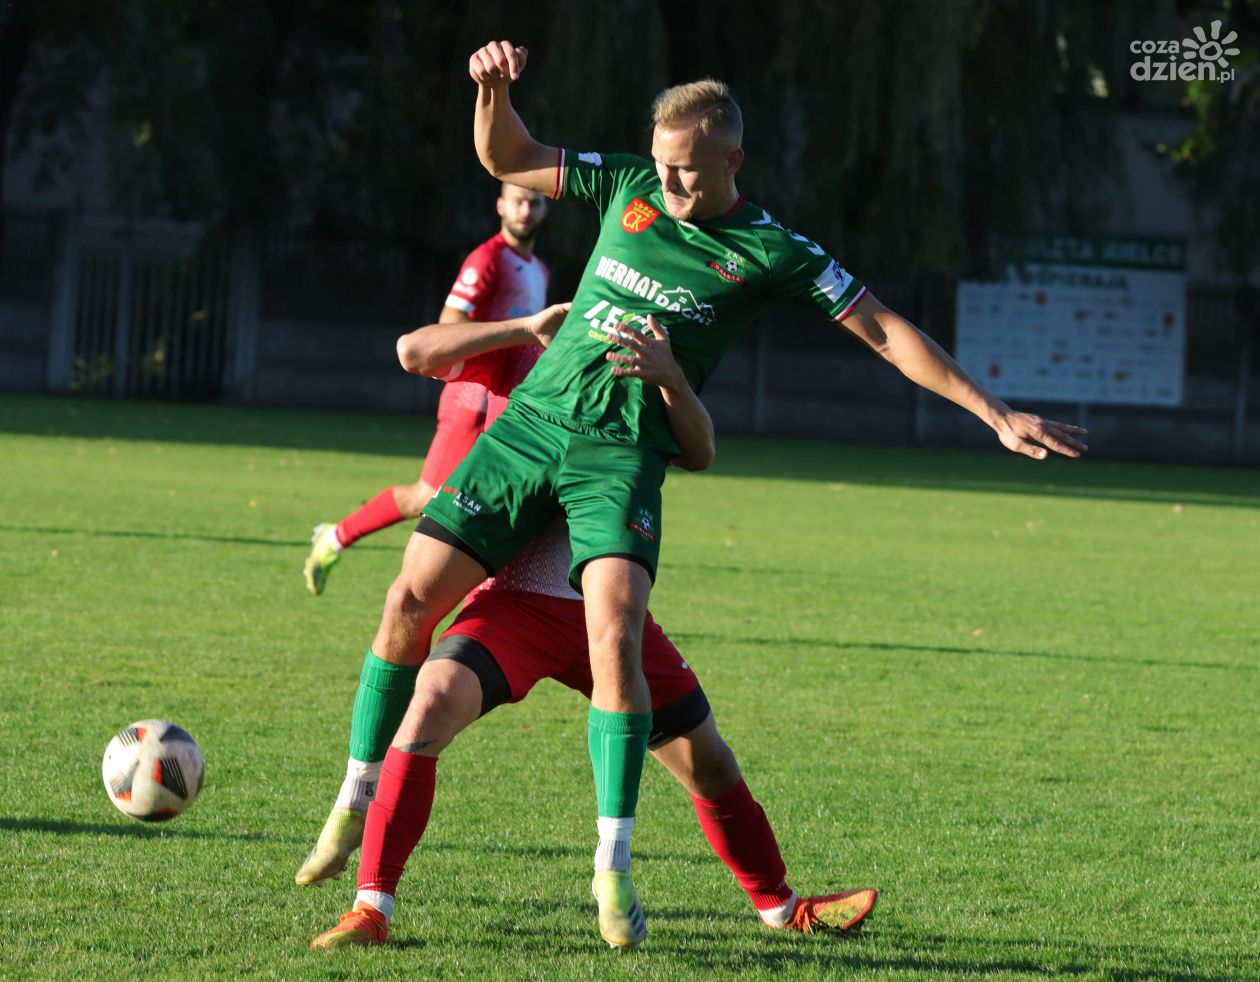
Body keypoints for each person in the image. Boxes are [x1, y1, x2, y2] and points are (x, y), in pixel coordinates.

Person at [302, 39, 1088, 950]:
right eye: (662, 165)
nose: (668, 185)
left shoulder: (770, 250)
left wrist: (991, 411)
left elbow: (880, 329)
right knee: (408, 599)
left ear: (733, 159)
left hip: (616, 463)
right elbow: (507, 156)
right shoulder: (627, 183)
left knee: (690, 739)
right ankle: (359, 820)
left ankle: (756, 901)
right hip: (533, 443)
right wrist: (493, 89)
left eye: (686, 170)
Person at [305, 317, 877, 949]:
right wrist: (525, 326)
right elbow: (414, 350)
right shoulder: (535, 352)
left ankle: (780, 906)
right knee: (429, 706)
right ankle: (371, 908)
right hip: (513, 607)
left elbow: (700, 450)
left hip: (607, 615)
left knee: (709, 763)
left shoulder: (643, 364)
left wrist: (671, 378)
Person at [302, 183, 550, 595]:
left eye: (534, 202)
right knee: (431, 495)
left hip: (508, 401)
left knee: (491, 502)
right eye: (518, 202)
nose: (526, 210)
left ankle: (491, 598)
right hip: (472, 395)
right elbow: (450, 324)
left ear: (544, 208)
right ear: (501, 206)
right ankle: (336, 538)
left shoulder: (538, 269)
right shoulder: (487, 259)